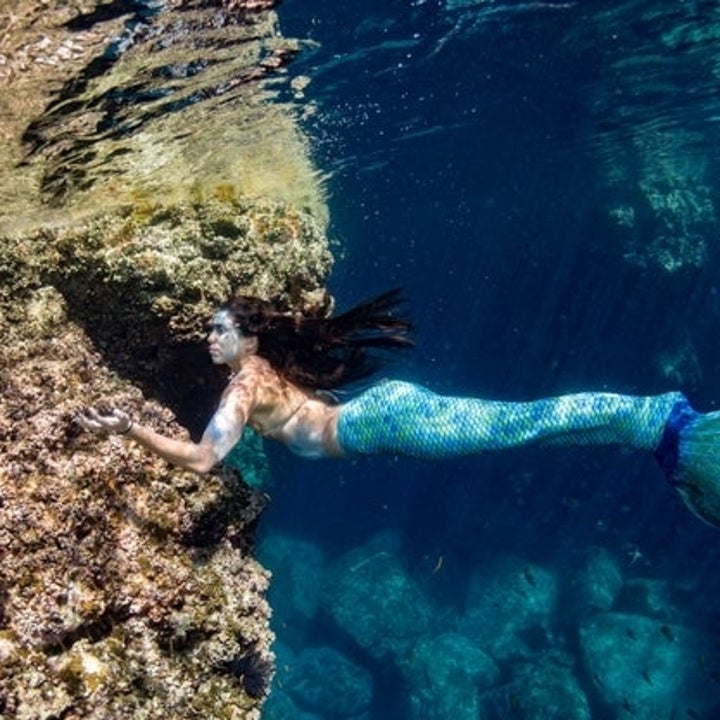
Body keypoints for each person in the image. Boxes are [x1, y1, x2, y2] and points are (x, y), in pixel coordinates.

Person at [78, 289, 720, 528]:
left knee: (523, 423)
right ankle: (656, 439)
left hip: (377, 421)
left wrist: (130, 428)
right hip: (379, 416)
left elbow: (201, 460)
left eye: (219, 330)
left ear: (247, 339)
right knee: (525, 432)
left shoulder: (243, 387)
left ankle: (665, 423)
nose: (209, 340)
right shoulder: (267, 369)